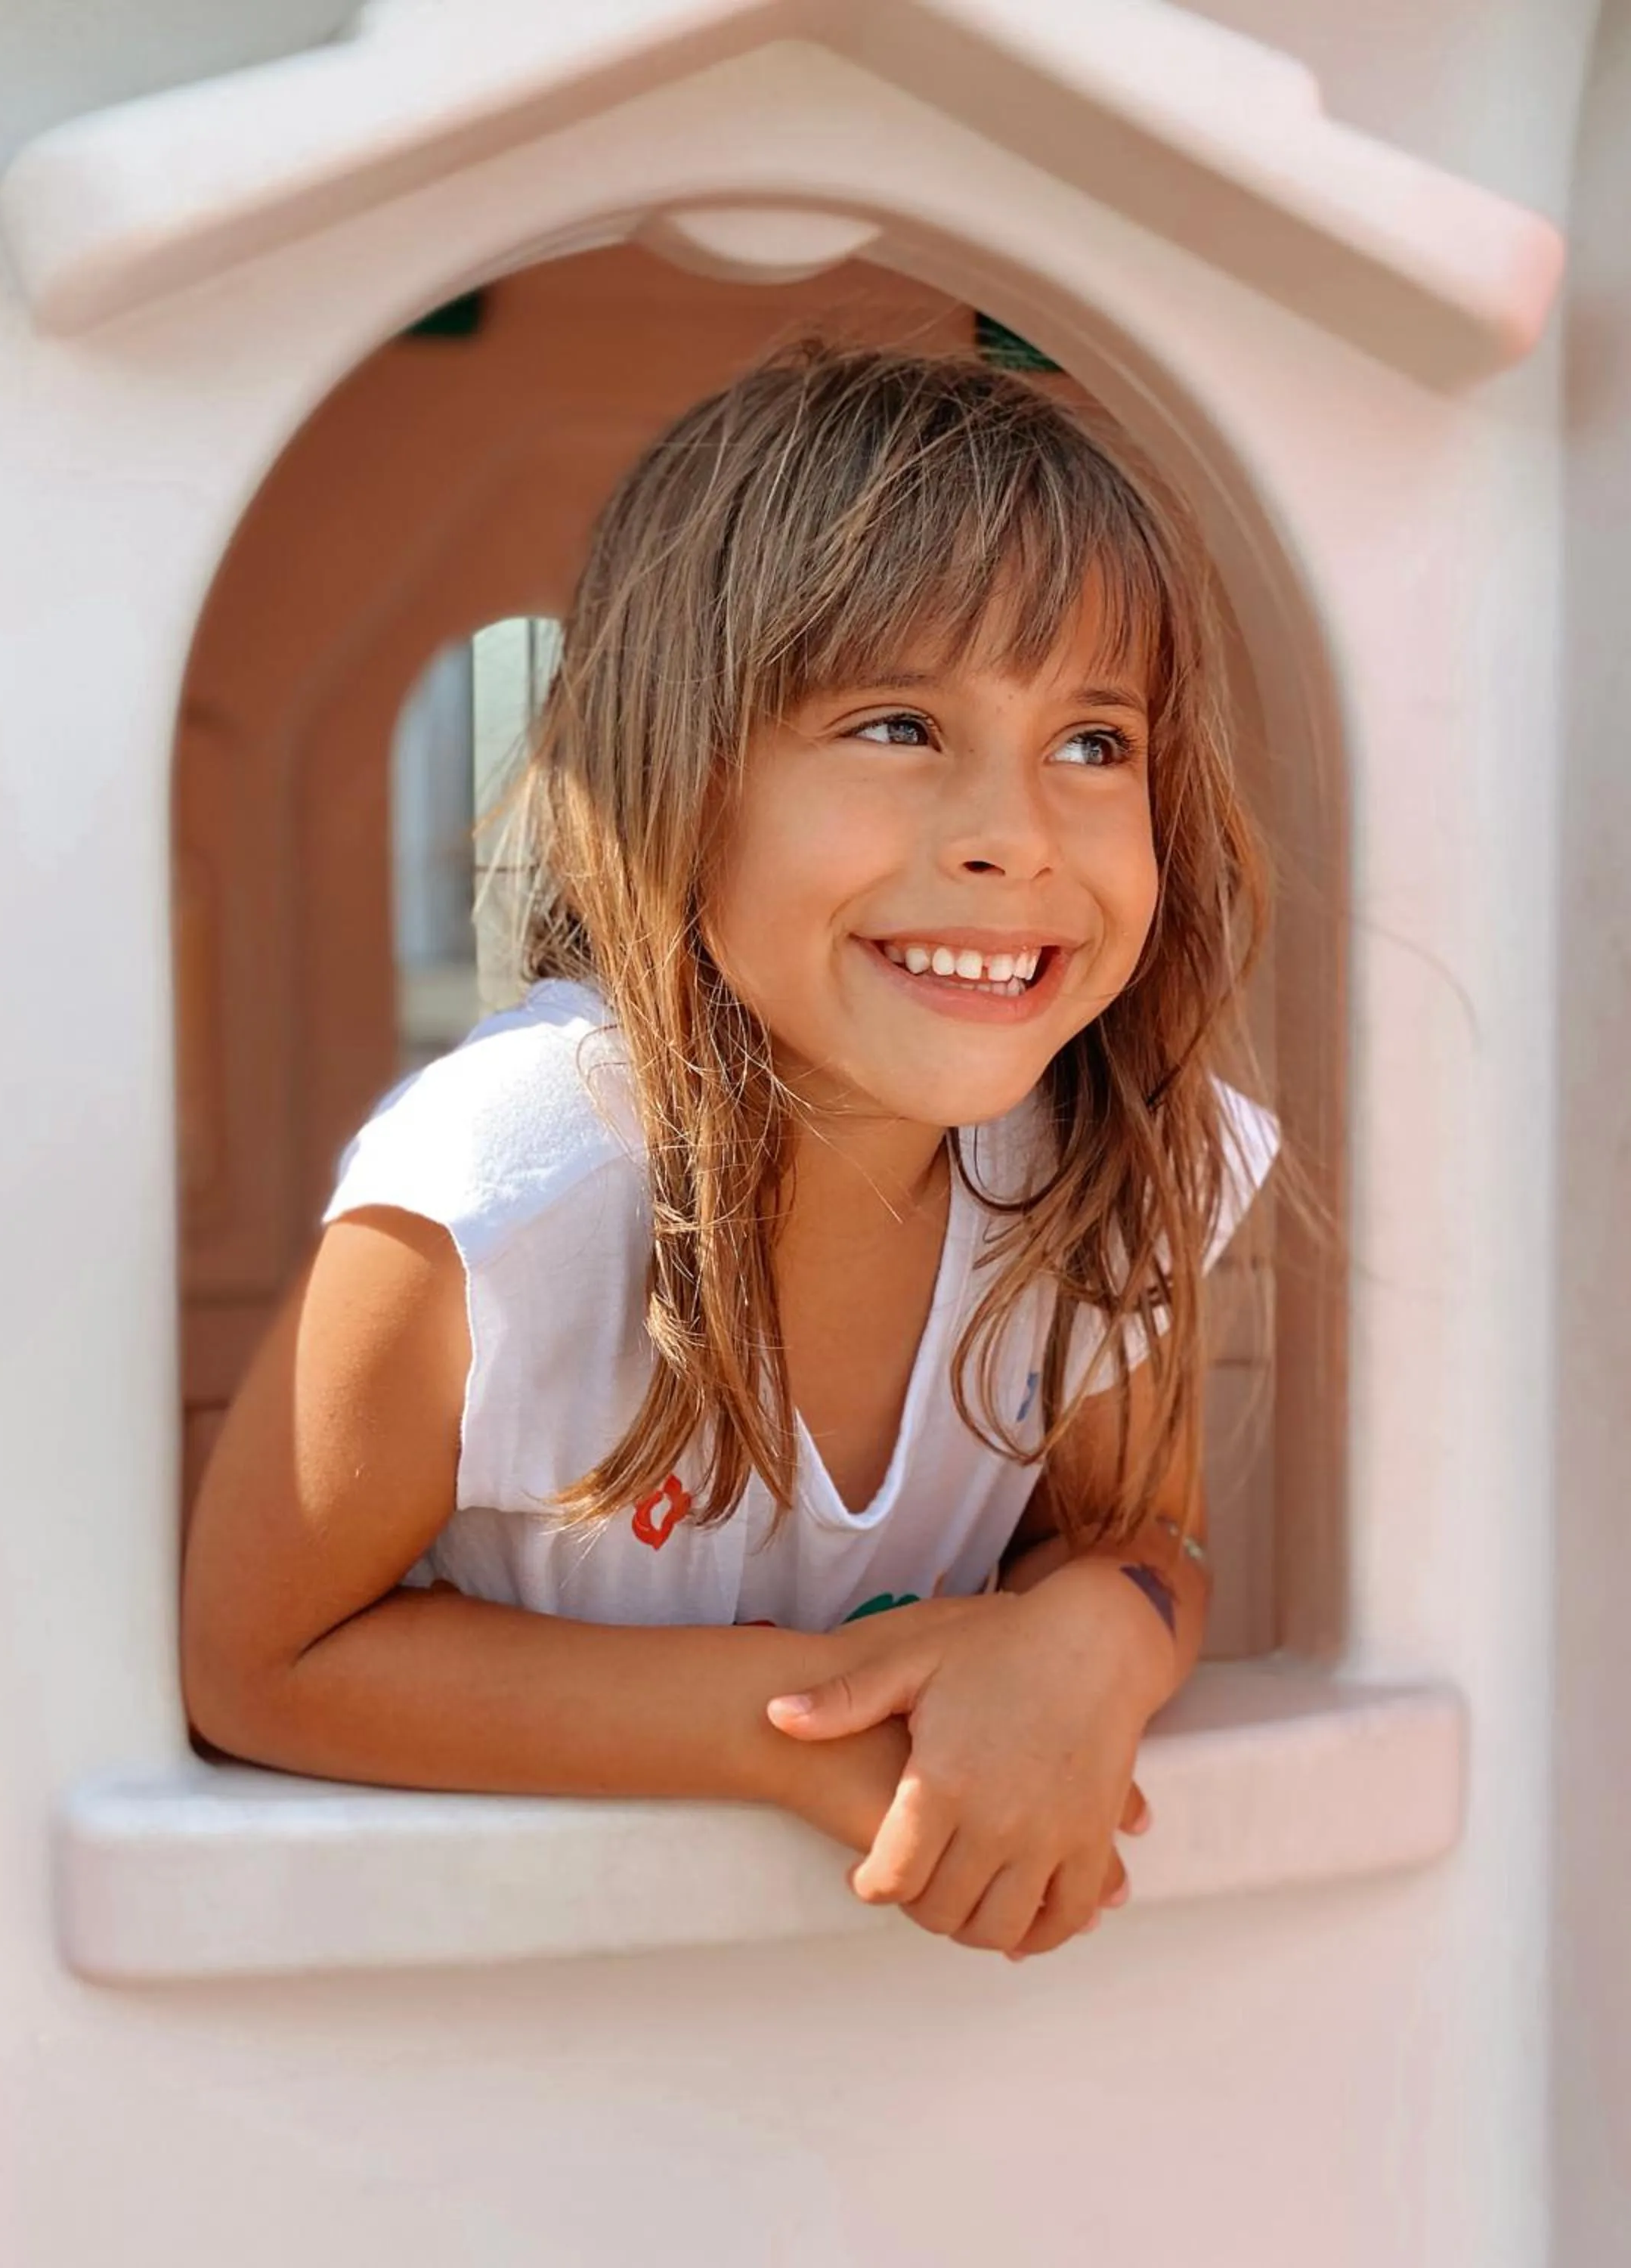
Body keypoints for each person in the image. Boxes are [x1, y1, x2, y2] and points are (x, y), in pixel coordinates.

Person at [181, 342, 1279, 1963]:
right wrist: (800, 1734)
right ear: (676, 780)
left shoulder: (1120, 1159)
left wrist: (1087, 1654)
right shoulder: (507, 1179)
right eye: (901, 723)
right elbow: (256, 1662)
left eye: (1093, 741)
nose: (1016, 832)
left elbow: (1137, 1542)